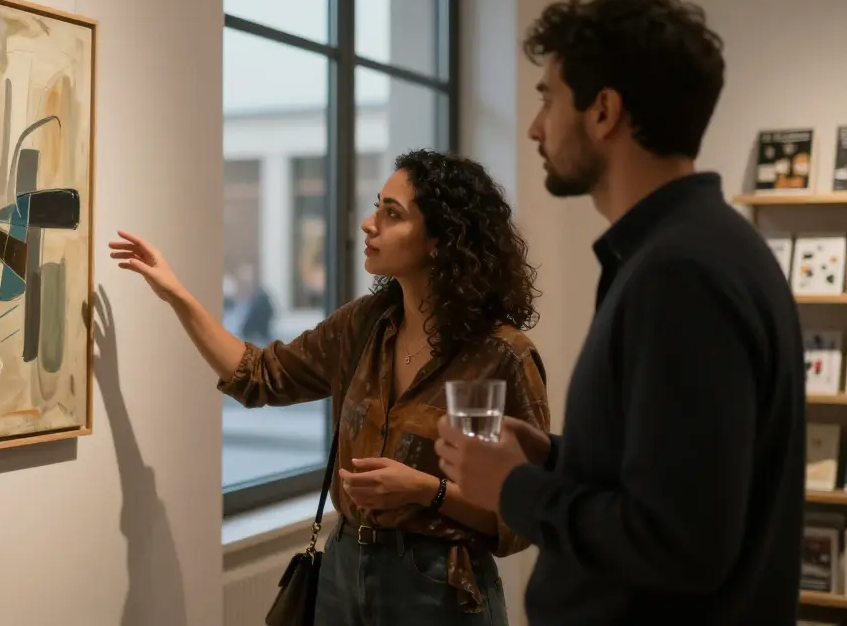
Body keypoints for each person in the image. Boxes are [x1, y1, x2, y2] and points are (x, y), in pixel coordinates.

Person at [434, 0, 806, 625]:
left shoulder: (680, 274)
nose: (533, 127)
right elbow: (679, 478)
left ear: (604, 111)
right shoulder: (702, 249)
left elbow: (680, 545)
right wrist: (555, 458)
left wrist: (513, 488)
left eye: (547, 97)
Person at [112, 149, 550, 625]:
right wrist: (176, 293)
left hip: (439, 585)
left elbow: (525, 514)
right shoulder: (363, 325)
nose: (368, 223)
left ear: (441, 241)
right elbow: (259, 376)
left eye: (392, 213)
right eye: (377, 205)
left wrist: (428, 490)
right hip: (344, 570)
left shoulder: (500, 355)